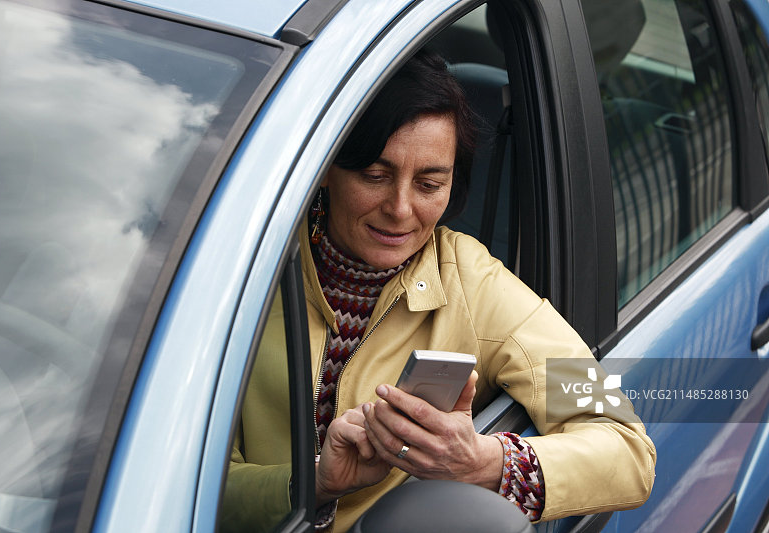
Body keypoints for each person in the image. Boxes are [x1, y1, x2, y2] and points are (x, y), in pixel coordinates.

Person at [222, 50, 656, 533]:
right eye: (375, 176)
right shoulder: (243, 269)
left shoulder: (475, 282)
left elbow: (626, 447)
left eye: (429, 184)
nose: (400, 209)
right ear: (326, 167)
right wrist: (312, 486)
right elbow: (189, 485)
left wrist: (482, 462)